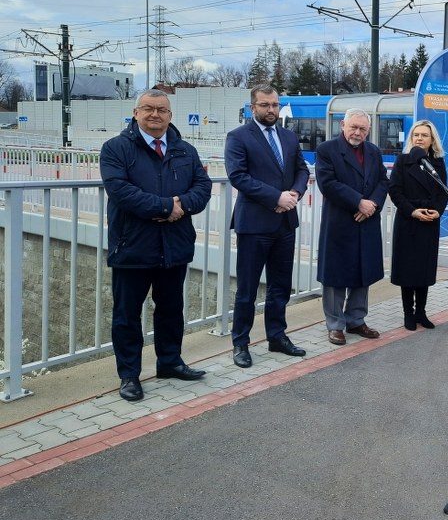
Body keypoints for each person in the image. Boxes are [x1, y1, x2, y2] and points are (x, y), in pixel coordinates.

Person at [100, 89, 212, 402]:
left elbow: (202, 188)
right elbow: (121, 191)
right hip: (132, 246)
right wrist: (166, 207)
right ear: (135, 113)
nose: (155, 115)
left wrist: (181, 205)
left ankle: (170, 361)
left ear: (170, 115)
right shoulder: (116, 148)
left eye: (162, 110)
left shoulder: (185, 151)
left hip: (174, 245)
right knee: (127, 315)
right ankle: (129, 375)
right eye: (148, 109)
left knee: (171, 309)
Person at [225, 85, 311, 368]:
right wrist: (276, 197)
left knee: (280, 286)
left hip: (284, 223)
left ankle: (277, 336)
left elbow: (302, 169)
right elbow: (239, 176)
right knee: (247, 289)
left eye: (274, 104)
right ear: (253, 108)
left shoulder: (288, 136)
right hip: (254, 224)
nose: (271, 110)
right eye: (265, 105)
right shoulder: (238, 137)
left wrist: (294, 194)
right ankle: (241, 343)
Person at [316, 108, 390, 345]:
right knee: (336, 276)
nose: (357, 133)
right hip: (340, 221)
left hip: (366, 220)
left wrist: (373, 204)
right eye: (353, 127)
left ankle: (356, 320)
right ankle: (335, 324)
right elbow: (327, 183)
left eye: (362, 129)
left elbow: (382, 181)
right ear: (343, 126)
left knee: (362, 272)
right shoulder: (327, 150)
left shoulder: (374, 151)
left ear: (368, 131)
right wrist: (358, 202)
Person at [388, 120, 448, 330]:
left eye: (424, 135)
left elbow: (443, 192)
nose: (420, 139)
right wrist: (413, 211)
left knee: (423, 270)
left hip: (429, 222)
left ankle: (421, 312)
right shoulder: (402, 161)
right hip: (408, 221)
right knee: (408, 270)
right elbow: (395, 191)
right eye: (416, 135)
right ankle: (408, 314)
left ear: (432, 140)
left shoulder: (438, 163)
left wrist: (437, 211)